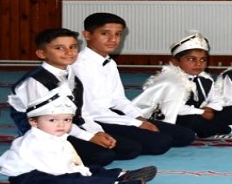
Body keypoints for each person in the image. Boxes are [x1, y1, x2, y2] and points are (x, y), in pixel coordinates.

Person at [8, 27, 138, 165]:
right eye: (59, 48)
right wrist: (89, 138)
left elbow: (80, 113)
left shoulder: (70, 74)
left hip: (68, 125)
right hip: (45, 132)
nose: (68, 52)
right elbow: (49, 122)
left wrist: (97, 132)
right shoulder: (36, 82)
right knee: (103, 156)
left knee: (130, 149)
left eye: (73, 47)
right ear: (41, 53)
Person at [71, 13, 197, 155]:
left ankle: (132, 138)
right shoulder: (80, 65)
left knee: (185, 135)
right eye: (105, 33)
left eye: (118, 34)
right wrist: (136, 124)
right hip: (94, 119)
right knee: (158, 143)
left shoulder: (109, 63)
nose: (113, 39)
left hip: (111, 114)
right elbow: (91, 110)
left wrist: (139, 117)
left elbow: (118, 98)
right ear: (87, 35)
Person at [0, 90, 158, 184]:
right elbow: (58, 171)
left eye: (66, 120)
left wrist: (84, 171)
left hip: (53, 170)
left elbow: (71, 162)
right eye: (52, 120)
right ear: (33, 122)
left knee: (89, 169)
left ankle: (120, 175)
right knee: (71, 182)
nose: (61, 125)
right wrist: (82, 173)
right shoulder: (35, 142)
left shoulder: (56, 137)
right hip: (30, 179)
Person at [132, 31, 232, 138]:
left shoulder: (205, 80)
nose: (198, 64)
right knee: (194, 122)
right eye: (191, 59)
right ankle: (227, 129)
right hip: (176, 116)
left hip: (200, 114)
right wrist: (201, 112)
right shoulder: (171, 82)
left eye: (203, 60)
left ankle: (208, 128)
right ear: (176, 62)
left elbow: (219, 100)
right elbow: (174, 107)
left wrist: (209, 108)